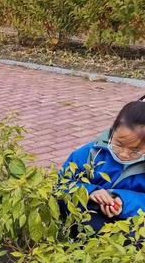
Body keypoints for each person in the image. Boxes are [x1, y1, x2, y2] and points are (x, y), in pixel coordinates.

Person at [59, 98, 145, 232]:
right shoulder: (90, 153)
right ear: (112, 131)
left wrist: (123, 201)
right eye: (119, 144)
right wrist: (90, 191)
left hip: (129, 220)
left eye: (135, 150)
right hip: (89, 213)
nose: (123, 153)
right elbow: (62, 184)